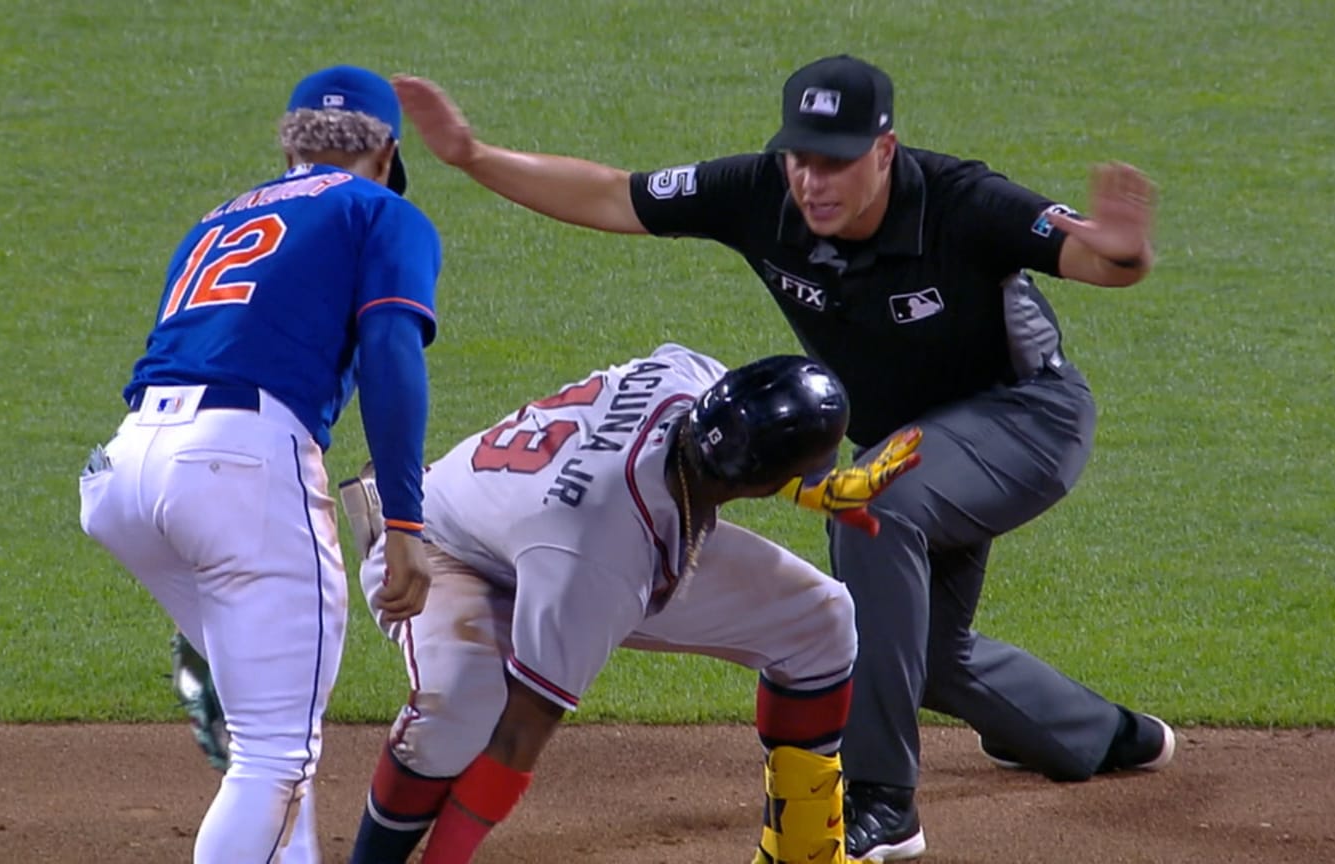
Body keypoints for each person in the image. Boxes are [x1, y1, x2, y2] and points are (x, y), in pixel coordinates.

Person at [390, 54, 1173, 863]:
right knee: (914, 655)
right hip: (910, 437)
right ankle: (1104, 735)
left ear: (885, 149)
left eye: (835, 161)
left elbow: (1094, 257)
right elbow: (612, 194)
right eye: (801, 157)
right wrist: (473, 156)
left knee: (878, 515)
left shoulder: (962, 201)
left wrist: (1127, 253)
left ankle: (881, 802)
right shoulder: (765, 192)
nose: (813, 181)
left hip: (1026, 419)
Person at [344, 345, 922, 864]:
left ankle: (803, 856)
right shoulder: (598, 558)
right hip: (440, 549)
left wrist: (815, 486)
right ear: (761, 487)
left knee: (819, 621)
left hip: (552, 531)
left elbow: (739, 442)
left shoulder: (689, 378)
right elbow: (519, 738)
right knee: (461, 711)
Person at [77, 64, 441, 864]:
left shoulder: (213, 221)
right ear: (383, 151)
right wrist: (405, 523)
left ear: (292, 145)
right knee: (275, 757)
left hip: (128, 469)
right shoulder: (381, 210)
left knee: (276, 730)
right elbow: (389, 354)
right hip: (240, 469)